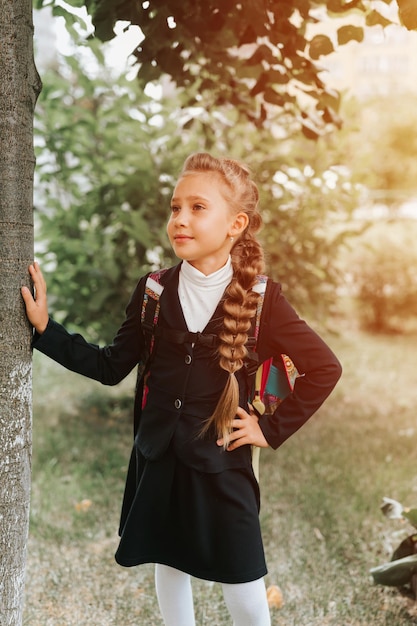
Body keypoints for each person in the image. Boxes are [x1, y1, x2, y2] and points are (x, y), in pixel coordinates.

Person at [22, 152, 342, 626]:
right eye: (176, 208)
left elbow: (324, 367)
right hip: (158, 456)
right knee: (167, 561)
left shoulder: (260, 300)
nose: (180, 219)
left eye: (197, 208)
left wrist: (270, 429)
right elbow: (112, 366)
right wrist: (46, 331)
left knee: (245, 583)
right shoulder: (153, 290)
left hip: (221, 465)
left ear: (235, 224)